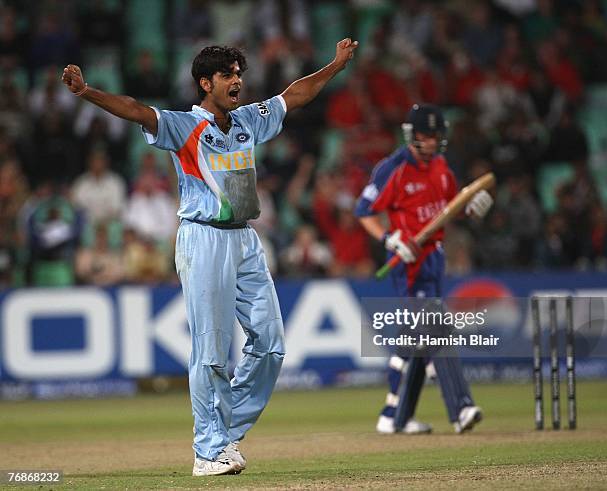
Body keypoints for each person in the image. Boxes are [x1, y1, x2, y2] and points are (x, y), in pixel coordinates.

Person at [62, 38, 358, 476]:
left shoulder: (247, 121)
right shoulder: (184, 126)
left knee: (271, 344)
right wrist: (87, 93)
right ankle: (207, 452)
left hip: (245, 239)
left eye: (239, 73)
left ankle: (225, 434)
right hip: (203, 240)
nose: (238, 80)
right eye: (228, 75)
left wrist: (334, 65)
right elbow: (136, 110)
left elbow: (296, 94)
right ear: (206, 83)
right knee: (212, 351)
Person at [355, 103, 493, 434]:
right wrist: (389, 239)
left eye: (436, 136)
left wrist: (471, 209)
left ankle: (394, 416)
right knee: (436, 327)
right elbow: (364, 211)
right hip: (409, 262)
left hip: (435, 257)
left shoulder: (442, 167)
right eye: (426, 136)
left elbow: (448, 210)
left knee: (417, 337)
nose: (432, 143)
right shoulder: (394, 167)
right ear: (413, 136)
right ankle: (461, 408)